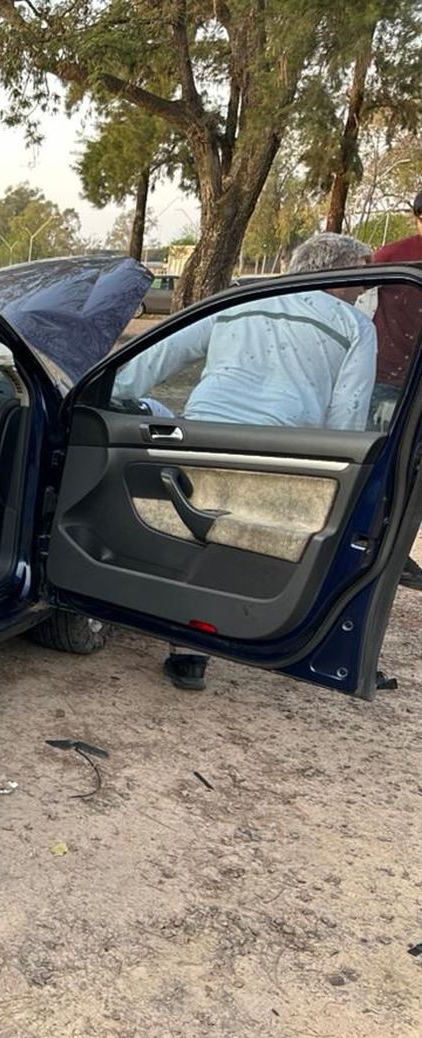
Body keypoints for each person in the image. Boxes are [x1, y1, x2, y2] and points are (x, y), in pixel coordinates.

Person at [112, 232, 377, 690]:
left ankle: (186, 649)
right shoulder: (355, 326)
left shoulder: (239, 300)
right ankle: (244, 632)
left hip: (203, 436)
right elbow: (347, 412)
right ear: (338, 270)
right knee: (244, 549)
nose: (365, 284)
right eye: (361, 271)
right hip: (280, 450)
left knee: (192, 537)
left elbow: (162, 354)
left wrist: (105, 391)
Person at [370, 190, 422, 590]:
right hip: (409, 378)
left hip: (388, 377)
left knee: (385, 464)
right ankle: (399, 544)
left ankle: (380, 545)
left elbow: (360, 310)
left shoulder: (388, 256)